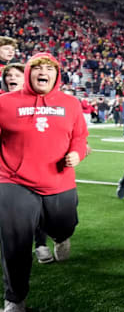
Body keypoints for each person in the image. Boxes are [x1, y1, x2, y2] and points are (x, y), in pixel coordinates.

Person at [0, 53, 89, 312]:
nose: (43, 71)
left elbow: (80, 137)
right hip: (13, 181)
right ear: (28, 72)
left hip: (59, 182)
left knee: (64, 225)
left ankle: (60, 237)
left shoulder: (71, 103)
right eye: (38, 67)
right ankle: (15, 299)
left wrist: (77, 153)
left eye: (49, 68)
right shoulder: (5, 103)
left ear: (57, 74)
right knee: (14, 240)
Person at [1, 64, 54, 266]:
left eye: (16, 74)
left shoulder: (41, 102)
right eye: (8, 75)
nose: (11, 78)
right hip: (7, 170)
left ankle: (40, 244)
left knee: (40, 209)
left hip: (36, 167)